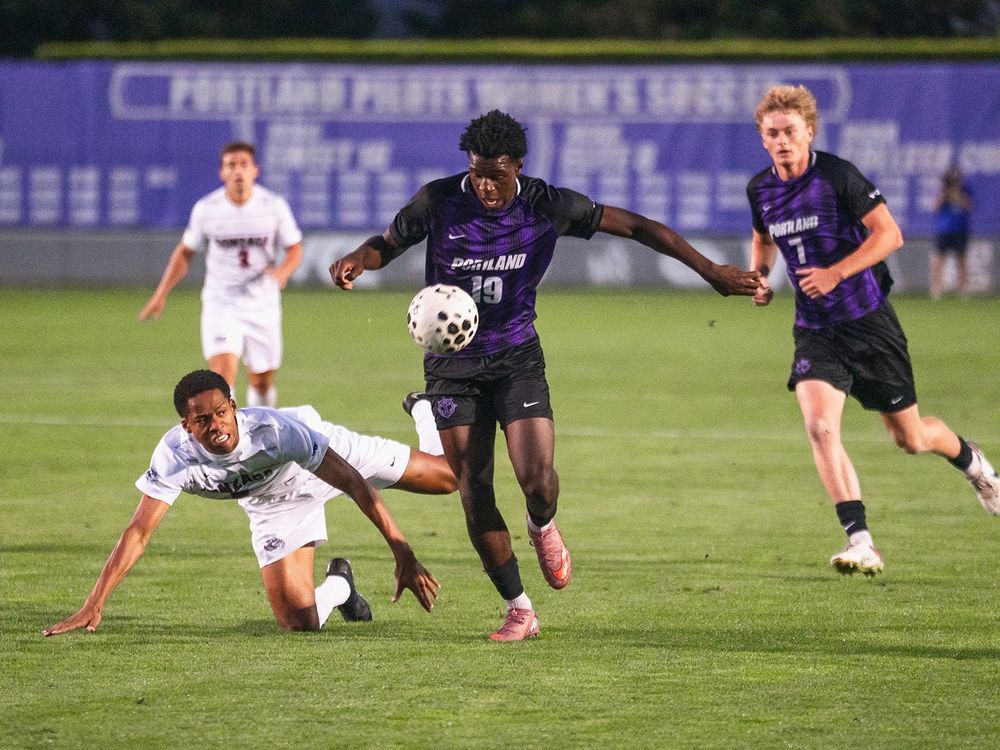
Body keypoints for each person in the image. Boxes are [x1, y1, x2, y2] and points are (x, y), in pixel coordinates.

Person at [329, 109, 762, 641]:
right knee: (474, 486)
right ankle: (519, 608)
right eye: (478, 171)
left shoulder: (546, 204)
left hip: (515, 358)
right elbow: (387, 244)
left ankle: (541, 524)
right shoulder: (439, 201)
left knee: (537, 481)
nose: (486, 184)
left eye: (497, 173)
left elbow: (639, 227)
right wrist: (357, 258)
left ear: (518, 166)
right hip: (451, 368)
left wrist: (712, 272)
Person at [745, 84, 999, 577]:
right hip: (816, 331)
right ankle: (861, 541)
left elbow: (890, 235)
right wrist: (759, 276)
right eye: (772, 133)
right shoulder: (761, 189)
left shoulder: (837, 176)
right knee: (820, 427)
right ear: (763, 138)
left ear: (809, 132)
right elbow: (763, 237)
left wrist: (837, 272)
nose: (781, 141)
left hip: (869, 324)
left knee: (911, 438)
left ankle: (975, 465)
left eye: (790, 132)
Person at [43, 369, 456, 636]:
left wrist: (401, 550)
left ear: (234, 408)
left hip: (323, 458)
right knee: (300, 623)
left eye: (222, 413)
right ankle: (341, 587)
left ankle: (425, 410)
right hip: (271, 502)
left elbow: (351, 482)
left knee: (448, 478)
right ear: (186, 426)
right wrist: (93, 603)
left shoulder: (275, 431)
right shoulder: (175, 457)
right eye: (202, 420)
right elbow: (138, 532)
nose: (216, 426)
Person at [139, 142, 303, 407]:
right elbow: (185, 252)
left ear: (255, 170)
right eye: (231, 165)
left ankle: (262, 434)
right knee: (222, 376)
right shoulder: (207, 209)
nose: (238, 171)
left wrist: (283, 271)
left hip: (263, 304)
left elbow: (295, 248)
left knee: (261, 381)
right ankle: (231, 443)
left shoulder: (273, 206)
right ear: (222, 173)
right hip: (222, 304)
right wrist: (161, 294)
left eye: (243, 165)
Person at [930, 165, 974, 299]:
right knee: (938, 260)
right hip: (944, 230)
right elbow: (935, 207)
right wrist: (945, 195)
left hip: (960, 230)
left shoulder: (965, 190)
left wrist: (957, 195)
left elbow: (969, 206)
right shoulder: (942, 191)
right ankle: (936, 290)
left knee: (962, 260)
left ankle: (963, 290)